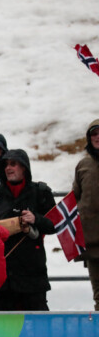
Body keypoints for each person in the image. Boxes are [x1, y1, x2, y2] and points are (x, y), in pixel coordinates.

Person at [0, 149, 56, 311]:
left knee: (35, 326)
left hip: (31, 274)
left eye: (13, 164)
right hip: (0, 275)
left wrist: (35, 219)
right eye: (5, 165)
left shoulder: (41, 192)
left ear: (24, 167)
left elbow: (54, 225)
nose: (8, 168)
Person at [74, 120, 99, 309]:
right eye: (94, 134)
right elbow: (74, 197)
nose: (97, 137)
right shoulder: (83, 165)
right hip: (93, 243)